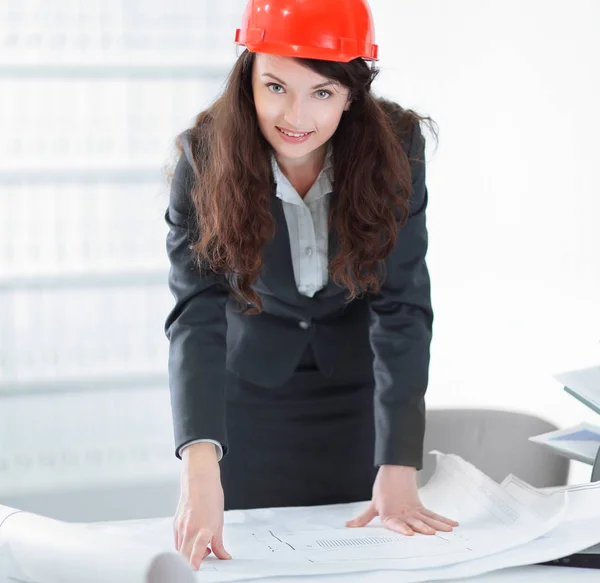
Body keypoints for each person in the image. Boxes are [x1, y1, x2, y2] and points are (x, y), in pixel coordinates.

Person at [164, 0, 458, 570]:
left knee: (361, 560)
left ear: (353, 91)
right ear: (247, 75)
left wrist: (398, 465)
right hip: (248, 397)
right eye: (275, 85)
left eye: (322, 92)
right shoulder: (203, 158)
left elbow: (403, 304)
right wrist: (198, 466)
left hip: (355, 394)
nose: (295, 115)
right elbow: (195, 313)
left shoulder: (396, 149)